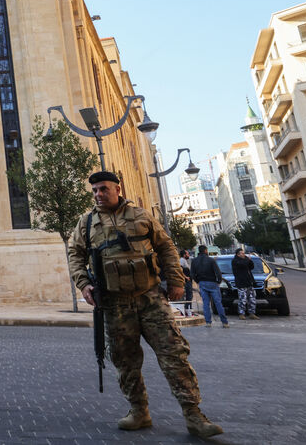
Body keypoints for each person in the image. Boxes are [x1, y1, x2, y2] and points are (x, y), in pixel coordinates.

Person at [68, 171, 222, 438]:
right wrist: (83, 284)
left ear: (118, 188)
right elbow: (74, 253)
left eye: (103, 189)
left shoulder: (142, 216)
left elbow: (166, 247)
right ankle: (139, 411)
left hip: (150, 298)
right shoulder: (87, 222)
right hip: (115, 303)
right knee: (125, 360)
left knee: (174, 354)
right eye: (94, 191)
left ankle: (194, 415)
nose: (98, 195)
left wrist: (174, 278)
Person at [191, 245, 229, 328]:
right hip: (212, 283)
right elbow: (218, 272)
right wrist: (218, 281)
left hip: (202, 283)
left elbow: (193, 274)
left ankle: (208, 322)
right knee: (218, 303)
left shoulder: (194, 261)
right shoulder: (211, 260)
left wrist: (198, 281)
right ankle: (224, 322)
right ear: (205, 251)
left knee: (205, 304)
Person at [232, 248, 258, 320]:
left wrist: (250, 260)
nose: (244, 255)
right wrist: (247, 259)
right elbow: (242, 264)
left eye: (244, 253)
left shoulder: (245, 260)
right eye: (242, 253)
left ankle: (252, 313)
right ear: (238, 254)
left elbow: (251, 267)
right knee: (242, 299)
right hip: (241, 283)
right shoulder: (235, 261)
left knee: (252, 299)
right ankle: (241, 313)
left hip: (249, 282)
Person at [179, 250, 193, 315]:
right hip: (186, 282)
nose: (188, 255)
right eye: (187, 253)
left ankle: (188, 309)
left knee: (189, 296)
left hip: (188, 281)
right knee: (188, 296)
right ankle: (187, 310)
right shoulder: (182, 260)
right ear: (184, 255)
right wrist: (185, 277)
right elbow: (180, 270)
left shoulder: (185, 260)